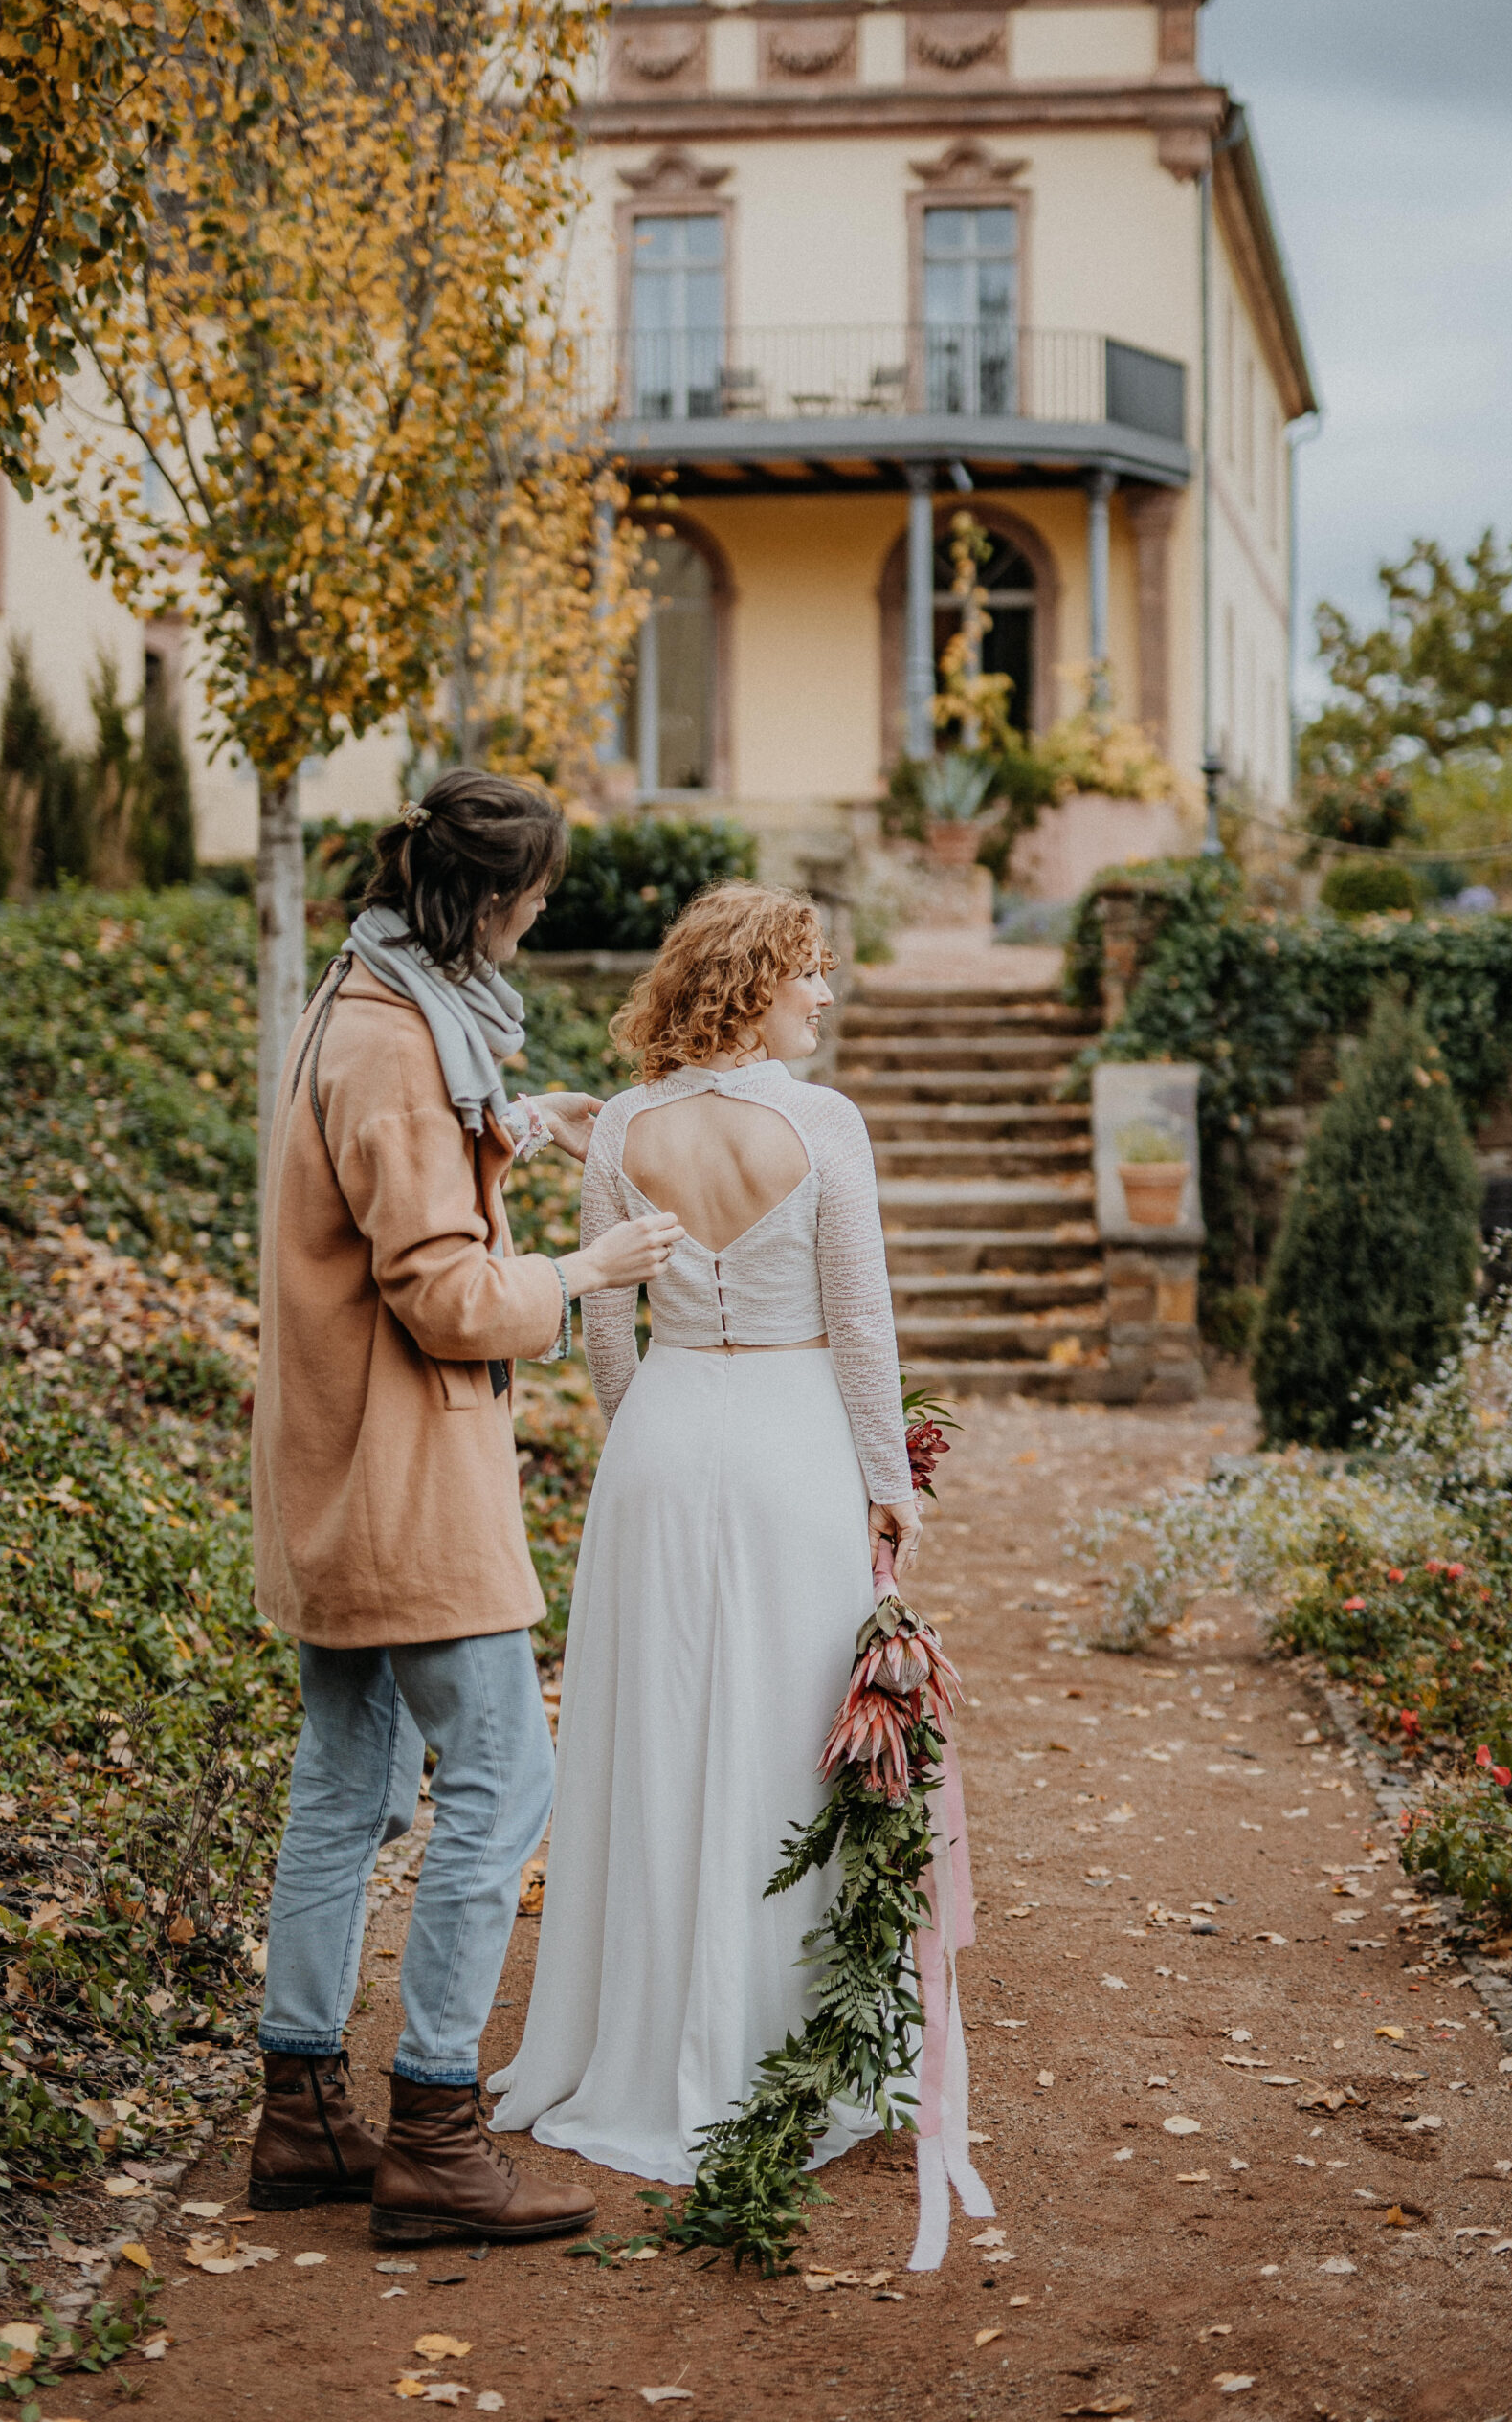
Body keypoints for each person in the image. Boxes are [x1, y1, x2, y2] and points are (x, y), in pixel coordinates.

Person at [247, 768, 682, 2246]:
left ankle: (302, 2114)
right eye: (537, 897)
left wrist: (525, 1125)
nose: (540, 917)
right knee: (505, 1777)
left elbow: (401, 1170)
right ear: (490, 900)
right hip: (402, 1482)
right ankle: (436, 2130)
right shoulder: (398, 1046)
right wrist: (584, 1273)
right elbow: (441, 1293)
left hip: (336, 1469)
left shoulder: (368, 995)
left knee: (345, 1785)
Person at [487, 880, 922, 2183]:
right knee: (787, 1736)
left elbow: (604, 1331)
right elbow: (862, 1324)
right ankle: (776, 2036)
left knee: (661, 1727)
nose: (824, 995)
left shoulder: (624, 1126)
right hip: (793, 1442)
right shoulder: (825, 1124)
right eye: (810, 973)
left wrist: (650, 1445)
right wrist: (887, 1479)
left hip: (662, 1446)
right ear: (753, 983)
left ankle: (638, 2027)